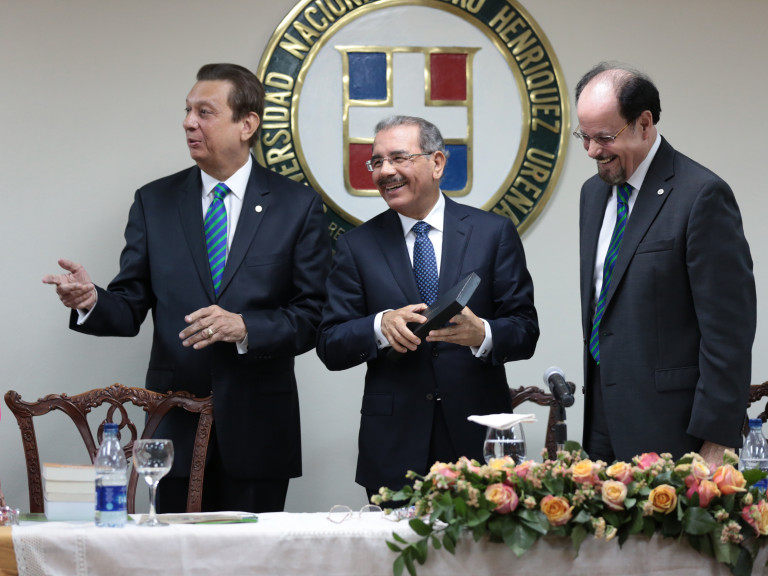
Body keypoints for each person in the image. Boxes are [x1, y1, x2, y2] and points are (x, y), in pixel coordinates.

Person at [42, 63, 331, 513]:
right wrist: (92, 300)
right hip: (172, 428)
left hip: (257, 429)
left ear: (247, 124)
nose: (188, 122)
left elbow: (313, 316)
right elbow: (130, 305)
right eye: (187, 111)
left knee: (251, 552)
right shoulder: (154, 202)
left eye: (205, 112)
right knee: (170, 549)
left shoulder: (297, 206)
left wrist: (245, 327)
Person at [316, 115, 539, 500]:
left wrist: (482, 334)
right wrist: (379, 326)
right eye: (376, 162)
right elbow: (330, 344)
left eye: (398, 158)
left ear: (436, 163)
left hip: (478, 439)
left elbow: (525, 330)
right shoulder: (357, 246)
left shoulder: (492, 233)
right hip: (394, 445)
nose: (385, 171)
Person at [574, 62, 756, 466]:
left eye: (604, 137)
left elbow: (728, 331)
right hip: (602, 420)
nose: (592, 151)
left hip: (675, 430)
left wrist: (716, 438)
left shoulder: (701, 195)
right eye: (584, 136)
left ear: (644, 123)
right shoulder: (593, 194)